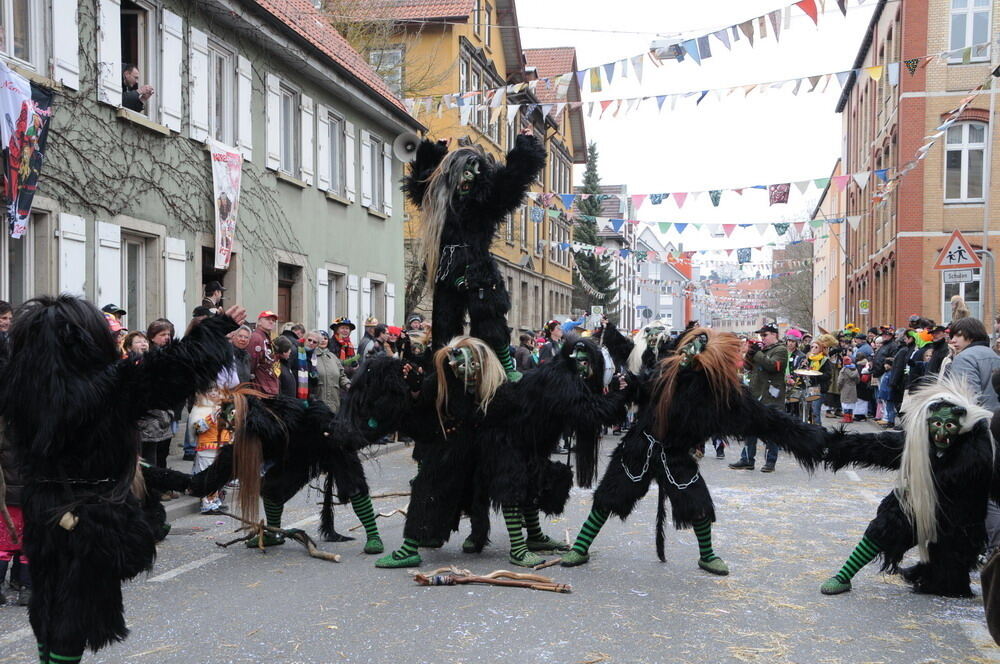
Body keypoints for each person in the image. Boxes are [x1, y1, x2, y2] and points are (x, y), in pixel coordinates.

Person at [0, 296, 244, 663]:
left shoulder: (18, 387)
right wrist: (212, 328)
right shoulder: (108, 386)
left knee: (47, 595)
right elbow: (172, 369)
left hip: (42, 505)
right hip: (92, 512)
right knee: (76, 607)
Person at [402, 131, 546, 380]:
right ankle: (442, 372)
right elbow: (420, 185)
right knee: (444, 325)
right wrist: (433, 153)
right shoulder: (440, 202)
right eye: (462, 175)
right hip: (446, 271)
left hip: (477, 270)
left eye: (472, 173)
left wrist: (524, 148)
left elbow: (511, 182)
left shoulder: (485, 203)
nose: (466, 181)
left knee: (489, 319)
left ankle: (504, 366)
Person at [729, 323, 788, 473]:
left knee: (771, 431)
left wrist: (756, 353)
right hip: (756, 394)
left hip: (771, 396)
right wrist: (749, 354)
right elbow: (748, 367)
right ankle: (747, 460)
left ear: (774, 334)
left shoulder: (780, 350)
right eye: (761, 336)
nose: (762, 338)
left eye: (765, 335)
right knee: (750, 429)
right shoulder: (762, 351)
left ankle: (770, 462)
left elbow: (774, 366)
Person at [306, 330, 350, 413]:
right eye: (321, 338)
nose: (323, 340)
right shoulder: (311, 356)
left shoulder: (333, 357)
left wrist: (348, 385)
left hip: (335, 403)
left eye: (325, 338)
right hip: (317, 403)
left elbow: (342, 375)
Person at [249, 311, 280, 395]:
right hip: (260, 387)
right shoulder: (256, 338)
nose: (271, 322)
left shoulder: (267, 338)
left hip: (268, 385)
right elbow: (251, 364)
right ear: (259, 322)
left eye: (273, 320)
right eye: (267, 319)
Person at [837, 356, 859, 423]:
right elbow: (858, 380)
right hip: (853, 388)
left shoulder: (843, 371)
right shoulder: (855, 370)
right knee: (851, 404)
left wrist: (839, 388)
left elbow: (840, 381)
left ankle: (846, 418)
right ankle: (850, 417)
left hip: (845, 388)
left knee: (845, 404)